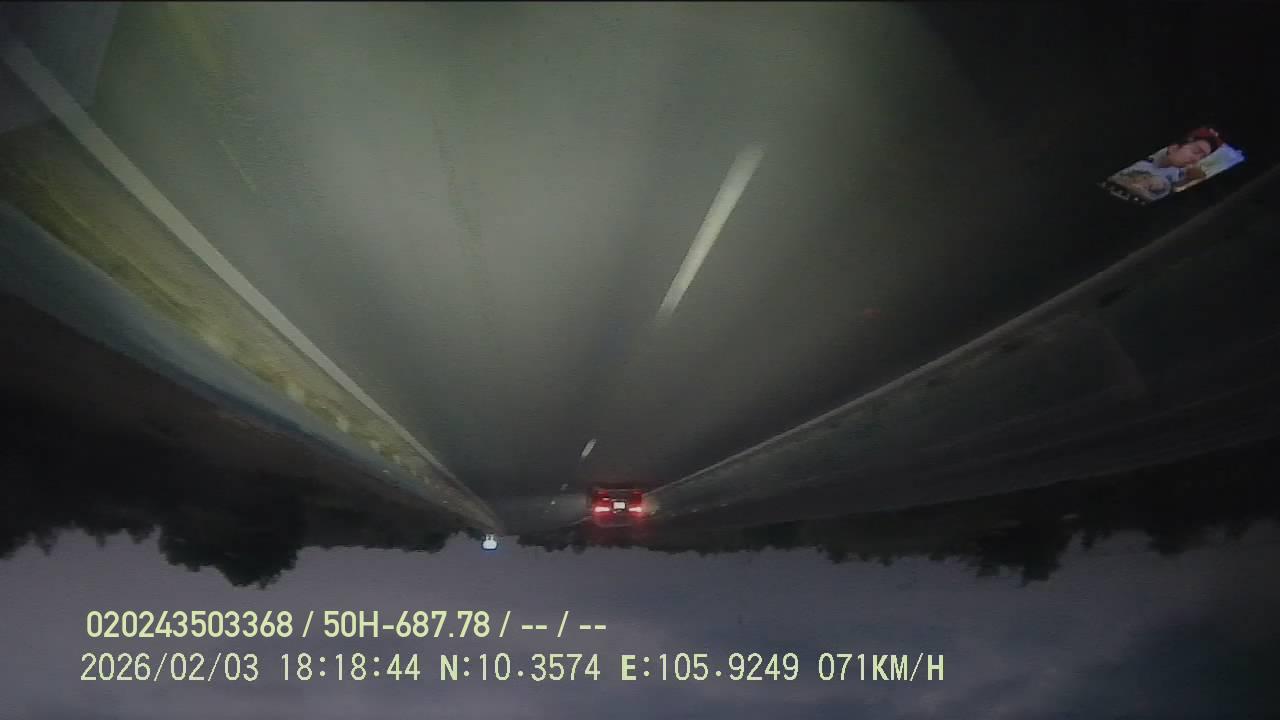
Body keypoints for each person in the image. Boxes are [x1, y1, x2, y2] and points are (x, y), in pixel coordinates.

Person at [1109, 127, 1223, 201]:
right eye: (1196, 151)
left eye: (1202, 157)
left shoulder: (1179, 173)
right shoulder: (1143, 163)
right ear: (1174, 147)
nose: (1196, 160)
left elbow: (1174, 184)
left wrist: (1188, 180)